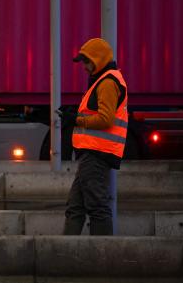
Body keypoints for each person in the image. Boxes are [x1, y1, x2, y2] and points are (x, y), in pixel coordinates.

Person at [59, 38, 128, 235]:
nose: (84, 67)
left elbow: (105, 120)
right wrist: (75, 115)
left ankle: (101, 256)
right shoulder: (103, 80)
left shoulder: (107, 82)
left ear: (98, 60)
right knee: (75, 207)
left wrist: (76, 120)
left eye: (86, 62)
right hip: (92, 153)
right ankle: (66, 252)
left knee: (96, 207)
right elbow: (96, 114)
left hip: (97, 153)